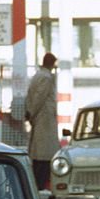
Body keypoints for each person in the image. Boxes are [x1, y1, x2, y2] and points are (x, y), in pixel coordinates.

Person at [24, 52, 59, 188]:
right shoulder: (46, 78)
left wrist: (30, 113)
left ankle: (39, 183)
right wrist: (32, 112)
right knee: (45, 153)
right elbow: (39, 97)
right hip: (44, 119)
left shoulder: (37, 75)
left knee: (39, 152)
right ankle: (40, 184)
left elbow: (31, 95)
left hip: (38, 118)